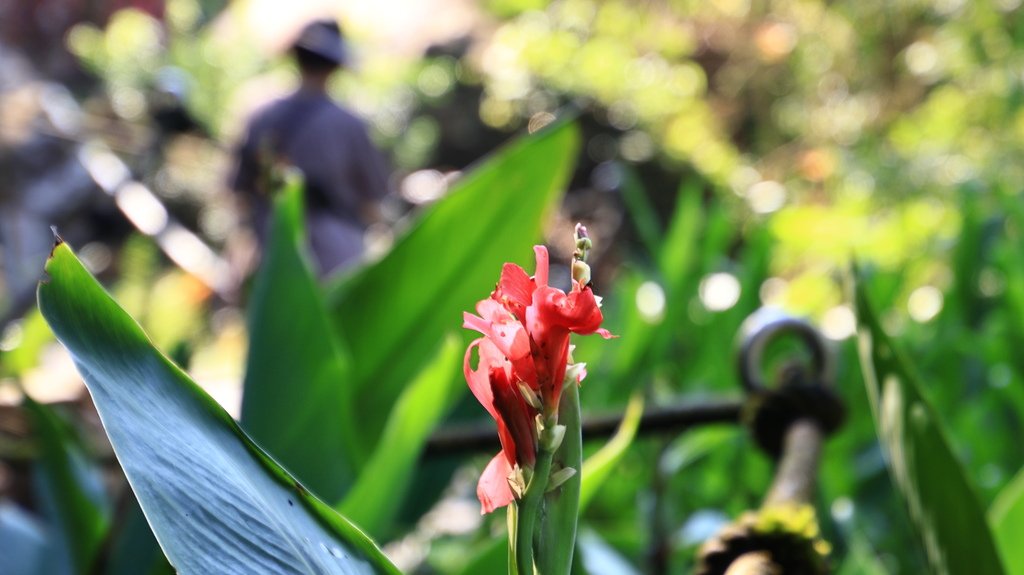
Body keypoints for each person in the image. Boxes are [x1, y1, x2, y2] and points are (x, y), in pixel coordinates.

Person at [229, 19, 388, 278]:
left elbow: (239, 193)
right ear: (334, 67)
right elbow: (371, 201)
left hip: (270, 254)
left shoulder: (260, 116)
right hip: (336, 260)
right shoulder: (348, 124)